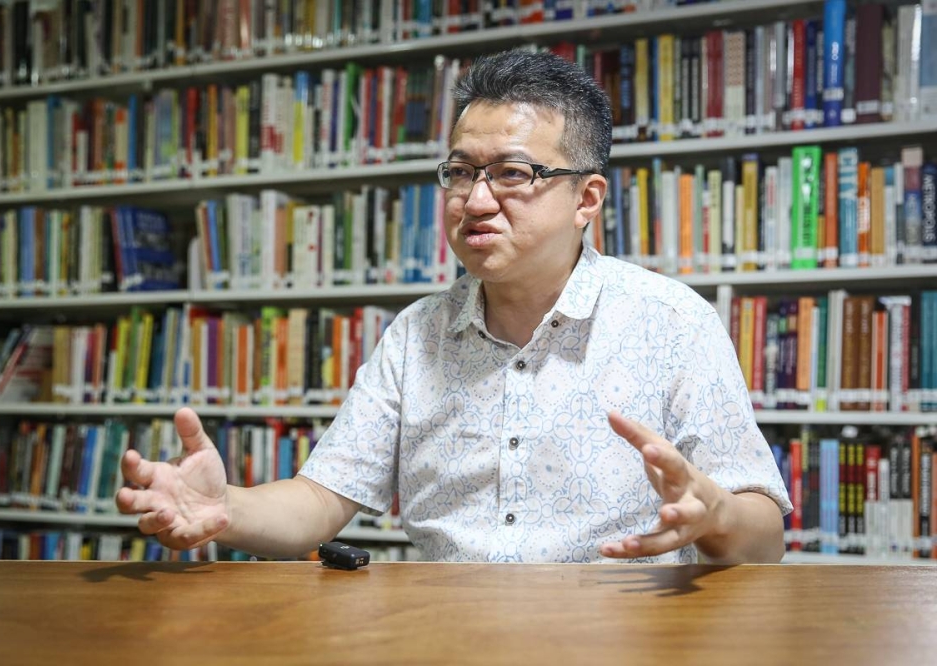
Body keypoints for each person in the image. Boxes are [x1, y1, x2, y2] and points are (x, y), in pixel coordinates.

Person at [117, 49, 792, 564]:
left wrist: (716, 516)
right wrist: (223, 507)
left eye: (513, 173)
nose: (474, 201)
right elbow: (320, 499)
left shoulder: (670, 322)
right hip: (445, 638)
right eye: (461, 172)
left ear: (586, 199)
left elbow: (765, 539)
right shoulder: (417, 335)